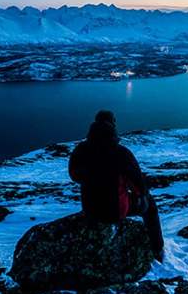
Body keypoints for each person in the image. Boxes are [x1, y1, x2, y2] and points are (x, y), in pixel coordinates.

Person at [68, 110, 164, 261]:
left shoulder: (81, 150)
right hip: (114, 210)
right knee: (150, 206)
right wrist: (142, 194)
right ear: (113, 124)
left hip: (90, 209)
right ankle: (157, 249)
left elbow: (74, 176)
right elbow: (138, 185)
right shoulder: (121, 153)